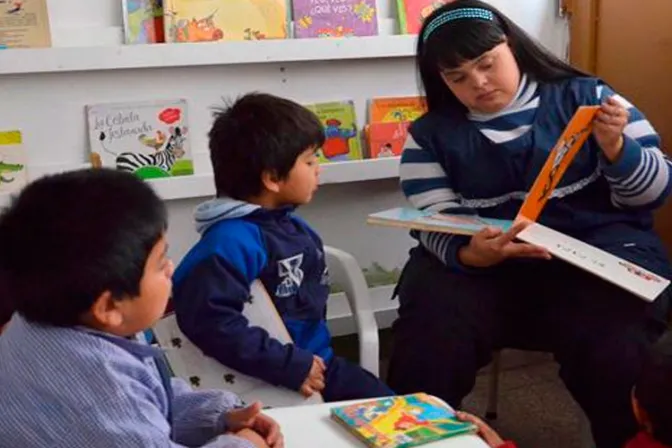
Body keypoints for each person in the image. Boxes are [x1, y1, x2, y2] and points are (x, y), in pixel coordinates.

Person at [386, 1, 672, 447]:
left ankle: (633, 439)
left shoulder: (589, 97)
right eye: (457, 77)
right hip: (490, 273)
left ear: (512, 47)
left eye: (487, 64)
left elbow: (653, 194)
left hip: (596, 258)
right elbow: (433, 218)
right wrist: (469, 253)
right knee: (430, 320)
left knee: (615, 340)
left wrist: (617, 148)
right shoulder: (430, 134)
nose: (478, 83)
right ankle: (414, 437)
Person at [0, 169, 283, 448]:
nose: (171, 268)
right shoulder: (106, 385)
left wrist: (219, 417)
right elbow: (127, 402)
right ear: (110, 306)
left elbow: (150, 395)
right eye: (160, 263)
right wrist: (245, 444)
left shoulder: (35, 320)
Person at [171, 93, 393, 402]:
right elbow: (209, 320)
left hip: (316, 365)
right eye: (310, 160)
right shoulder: (232, 240)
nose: (318, 169)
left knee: (395, 409)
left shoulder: (287, 225)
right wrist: (288, 365)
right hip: (269, 381)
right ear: (273, 178)